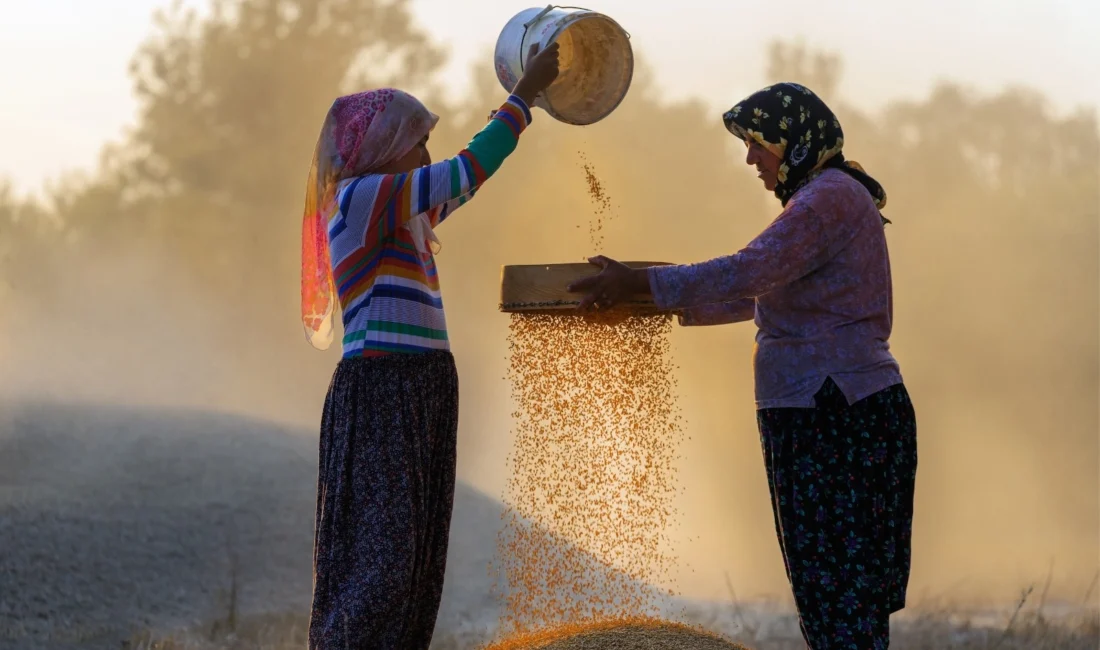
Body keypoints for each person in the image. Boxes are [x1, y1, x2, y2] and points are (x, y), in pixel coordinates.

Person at [568, 82, 918, 650]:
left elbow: (748, 271)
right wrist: (650, 301)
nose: (751, 157)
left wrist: (644, 283)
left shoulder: (829, 198)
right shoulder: (826, 198)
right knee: (834, 596)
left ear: (795, 140)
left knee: (839, 594)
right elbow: (757, 292)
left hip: (834, 409)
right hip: (827, 407)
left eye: (757, 142)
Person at [299, 43, 560, 650]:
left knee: (416, 559)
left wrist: (527, 106)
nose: (426, 155)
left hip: (422, 388)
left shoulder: (402, 211)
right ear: (383, 150)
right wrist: (523, 99)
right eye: (417, 143)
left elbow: (464, 183)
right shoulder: (363, 198)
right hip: (383, 387)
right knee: (382, 562)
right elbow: (467, 169)